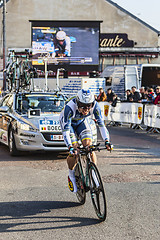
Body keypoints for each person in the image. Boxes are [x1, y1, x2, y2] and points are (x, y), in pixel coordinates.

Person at [59, 88, 112, 193]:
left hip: (82, 122)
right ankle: (71, 176)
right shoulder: (69, 108)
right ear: (78, 103)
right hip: (69, 125)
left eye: (88, 107)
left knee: (89, 146)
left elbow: (101, 125)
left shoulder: (95, 106)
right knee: (75, 150)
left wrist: (107, 141)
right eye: (83, 107)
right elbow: (65, 132)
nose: (86, 110)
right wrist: (70, 147)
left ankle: (93, 173)